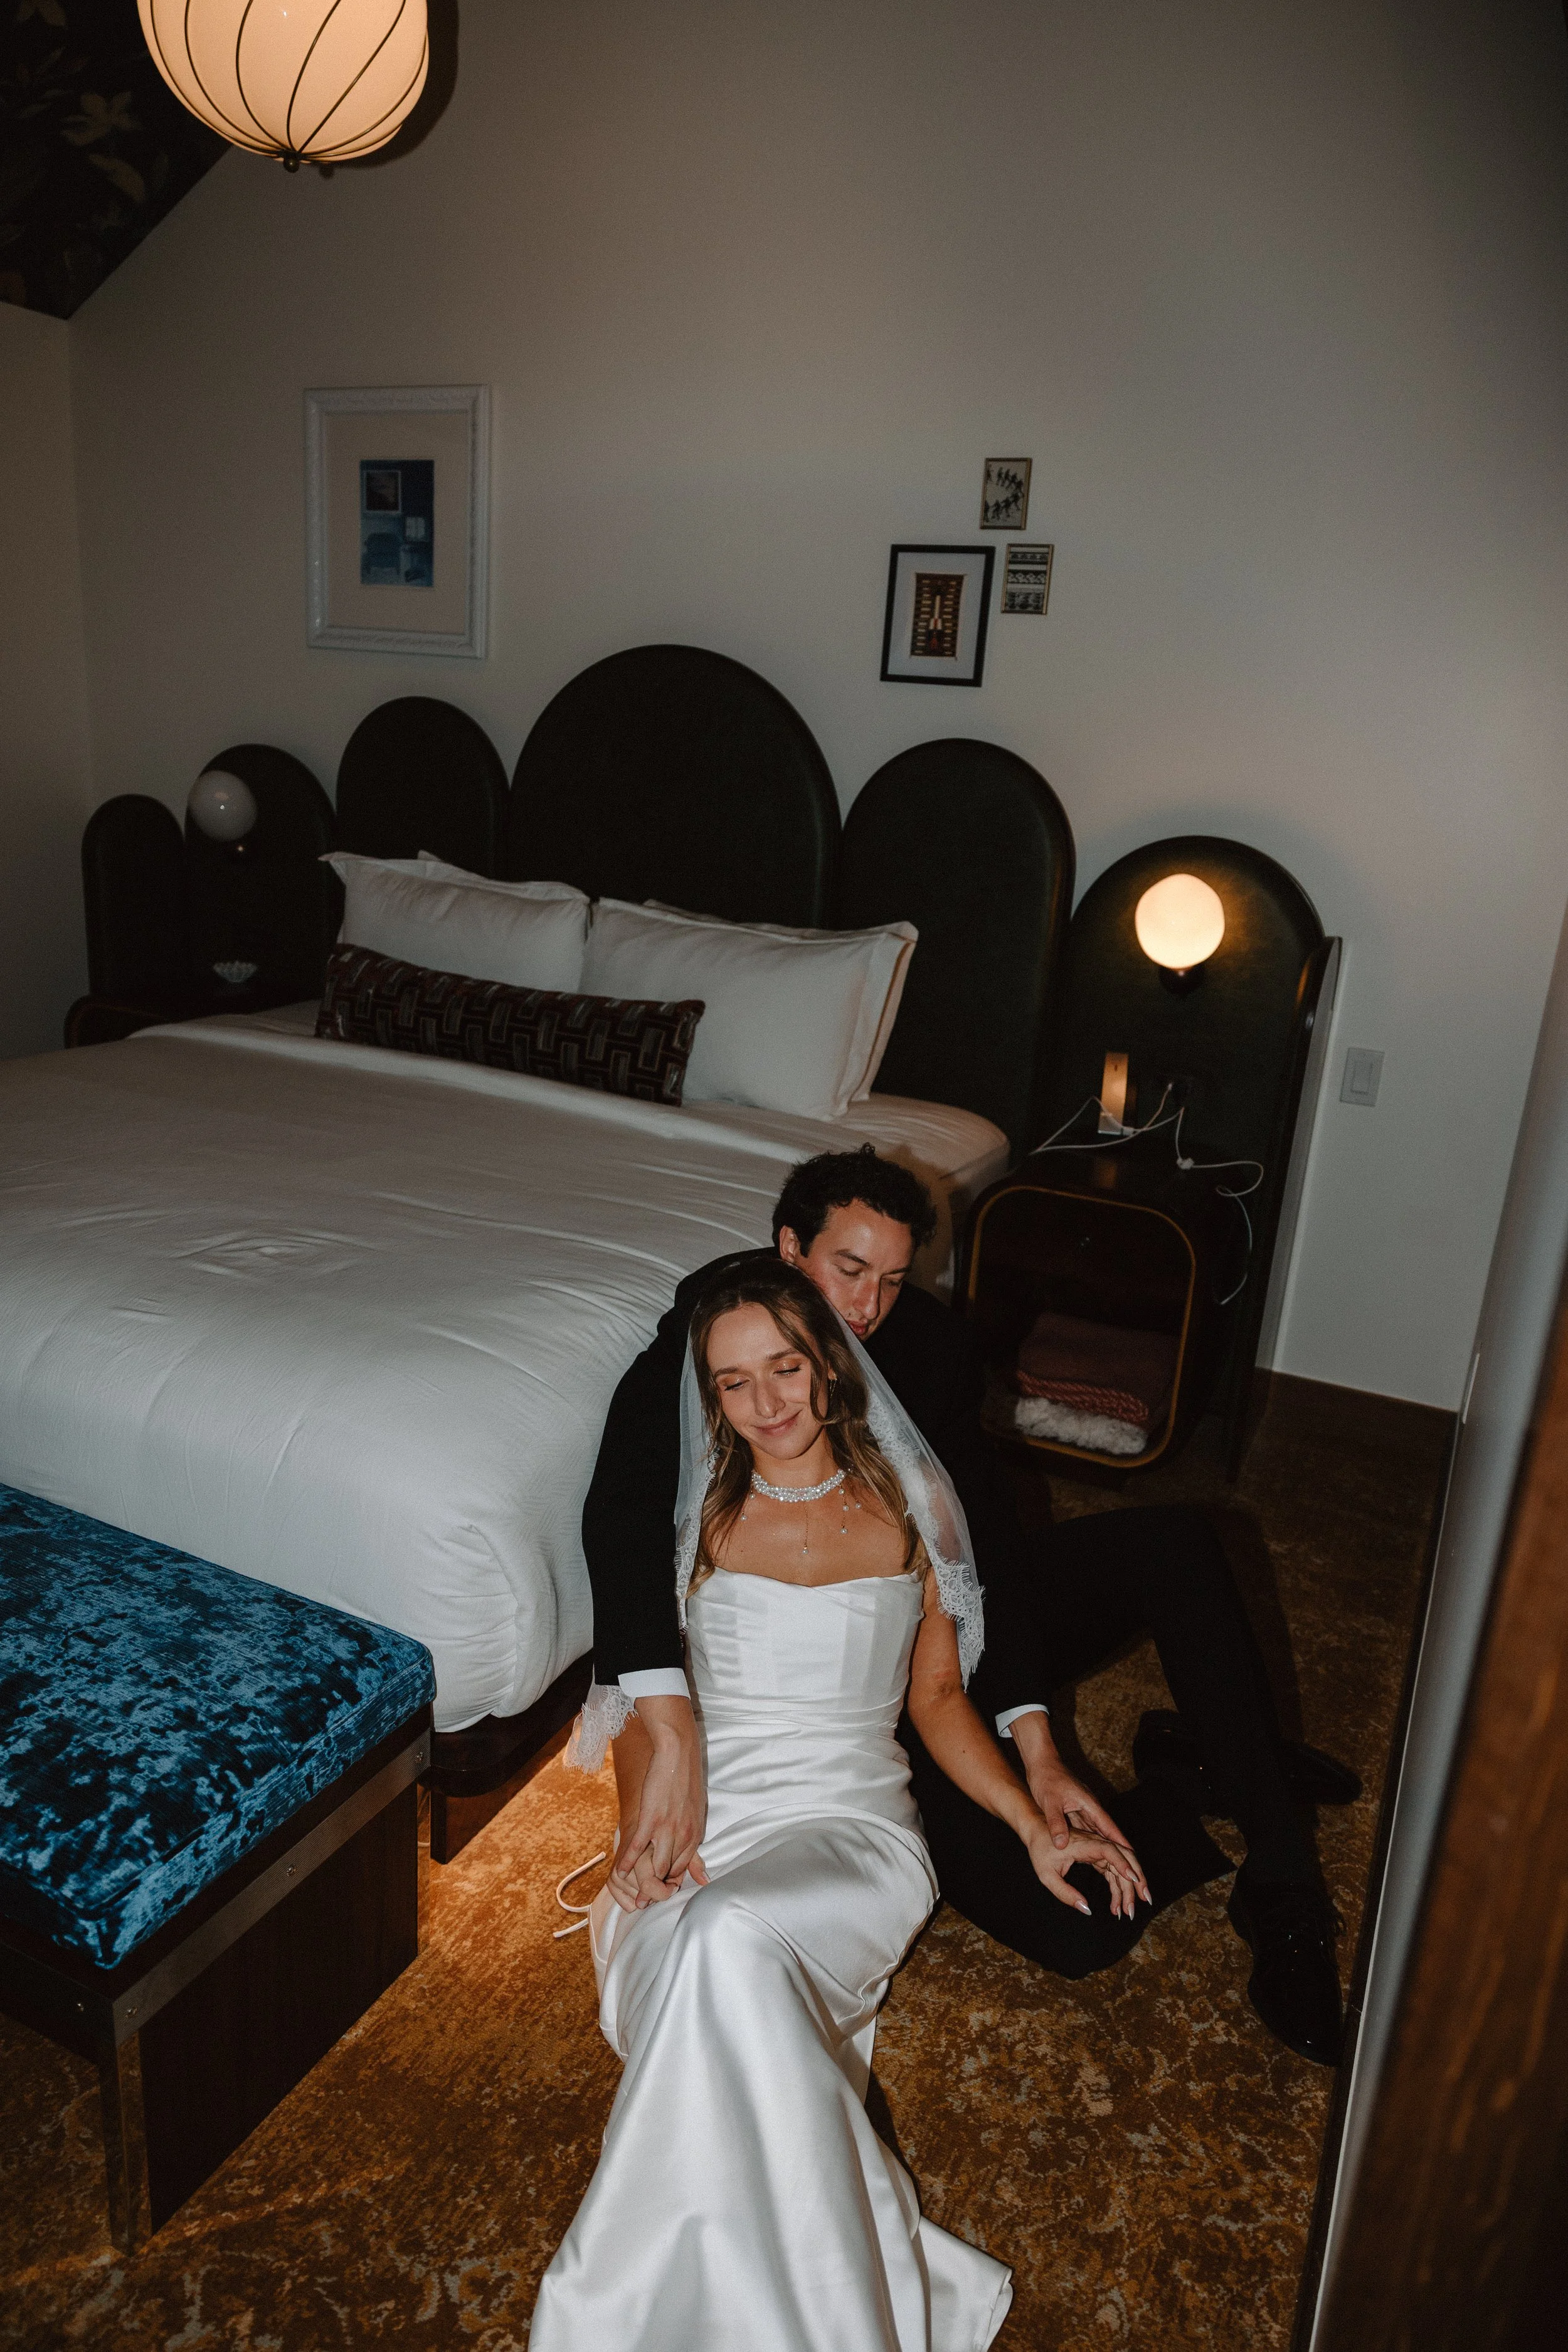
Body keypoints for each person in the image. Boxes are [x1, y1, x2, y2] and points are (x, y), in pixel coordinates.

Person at [582, 1147, 1354, 2066]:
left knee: (1176, 1543)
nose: (867, 1307)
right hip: (838, 1722)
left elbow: (982, 1548)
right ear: (790, 1248)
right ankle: (1197, 1773)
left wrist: (1038, 1744)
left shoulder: (935, 1348)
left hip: (927, 1626)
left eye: (893, 1279)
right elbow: (623, 1523)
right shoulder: (717, 1332)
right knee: (1079, 1927)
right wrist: (665, 1751)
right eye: (849, 1269)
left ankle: (1283, 1880)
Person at [534, 1260, 1133, 2348]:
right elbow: (641, 1705)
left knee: (723, 1943)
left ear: (827, 1363)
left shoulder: (915, 1506)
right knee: (708, 1954)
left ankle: (609, 2312)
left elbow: (938, 1699)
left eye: (784, 1368)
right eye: (733, 1383)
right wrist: (641, 1835)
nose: (766, 1403)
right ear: (709, 1396)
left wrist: (1029, 1820)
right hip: (710, 1826)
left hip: (855, 1830)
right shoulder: (692, 1516)